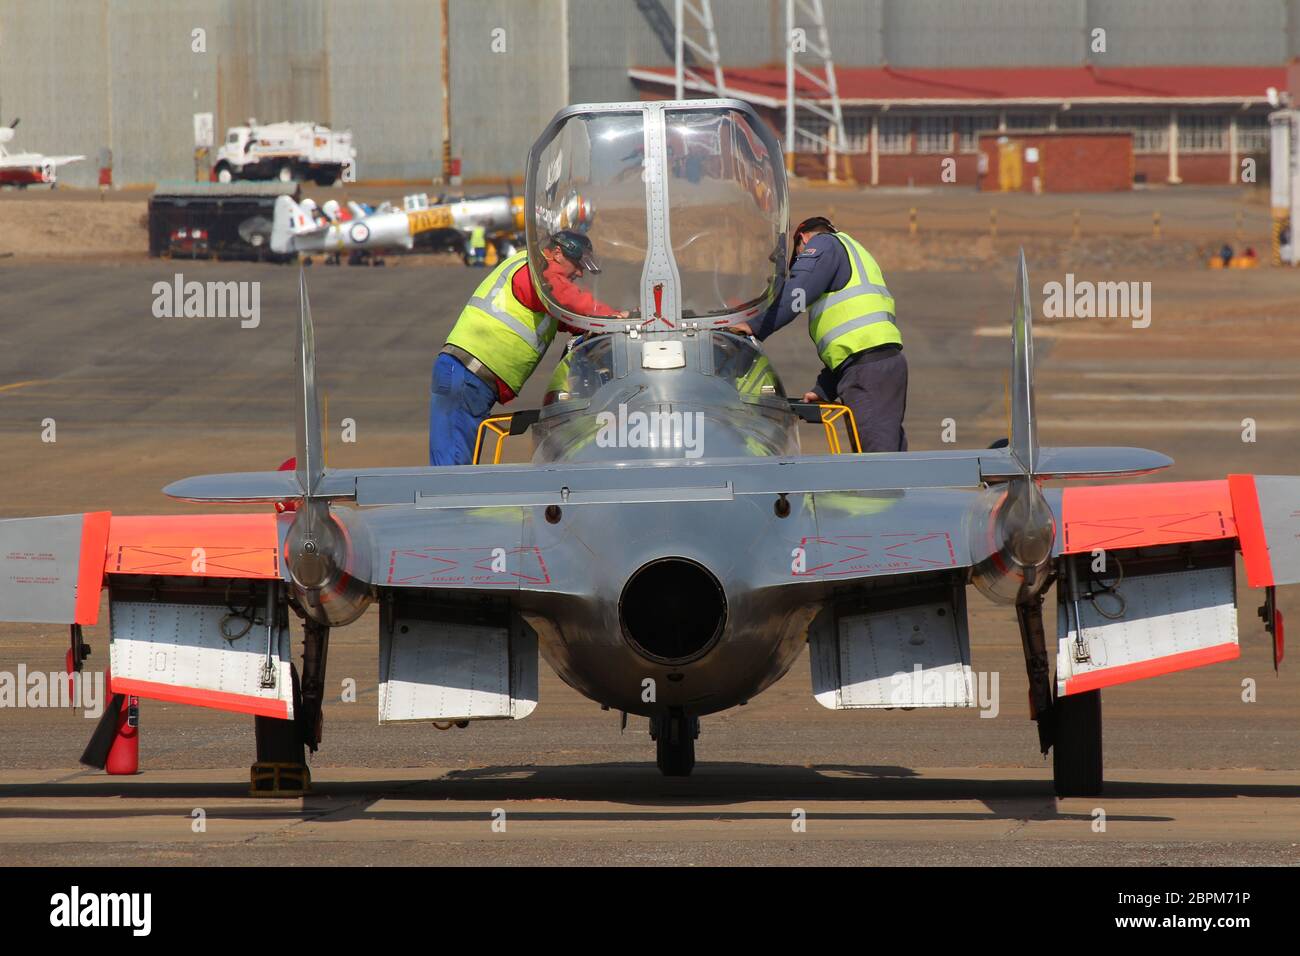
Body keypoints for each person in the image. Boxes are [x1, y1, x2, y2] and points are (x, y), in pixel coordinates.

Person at [430, 230, 625, 465]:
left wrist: (604, 326)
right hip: (467, 374)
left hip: (472, 379)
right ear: (556, 254)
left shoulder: (542, 289)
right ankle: (446, 501)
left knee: (461, 462)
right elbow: (566, 298)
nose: (580, 272)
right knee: (453, 466)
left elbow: (571, 318)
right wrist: (613, 318)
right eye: (577, 264)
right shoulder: (534, 272)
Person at [730, 216, 907, 452]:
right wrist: (824, 389)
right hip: (878, 365)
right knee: (886, 449)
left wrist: (755, 327)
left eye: (799, 258)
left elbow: (798, 292)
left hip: (868, 371)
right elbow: (852, 342)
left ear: (802, 239)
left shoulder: (823, 244)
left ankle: (885, 489)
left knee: (878, 459)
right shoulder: (853, 251)